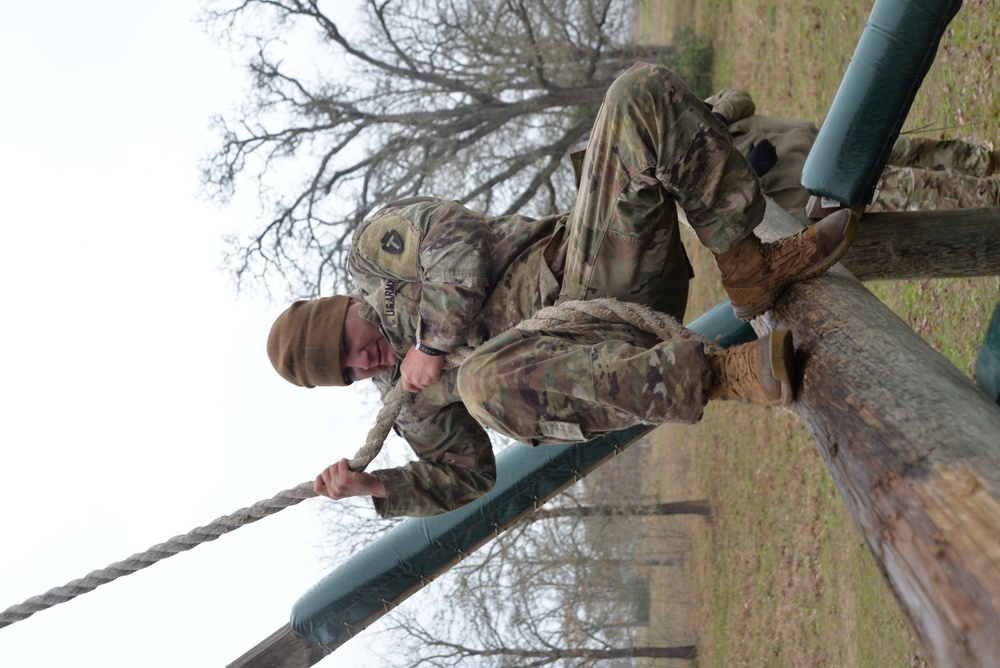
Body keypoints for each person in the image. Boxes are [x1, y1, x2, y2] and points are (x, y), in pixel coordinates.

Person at [266, 63, 858, 519]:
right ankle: (721, 376)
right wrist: (374, 485)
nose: (360, 362)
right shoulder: (408, 403)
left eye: (346, 345)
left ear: (344, 307)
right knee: (479, 384)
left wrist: (431, 341)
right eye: (345, 373)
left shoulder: (376, 258)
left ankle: (748, 265)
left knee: (637, 93)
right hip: (613, 357)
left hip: (594, 267)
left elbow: (458, 241)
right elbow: (468, 476)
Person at [705, 88, 1000, 214]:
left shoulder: (688, 119)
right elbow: (729, 217)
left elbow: (739, 98)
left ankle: (988, 162)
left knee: (917, 150)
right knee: (925, 189)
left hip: (830, 142)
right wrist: (749, 175)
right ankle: (993, 196)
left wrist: (717, 118)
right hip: (827, 186)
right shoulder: (680, 189)